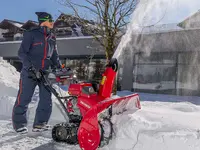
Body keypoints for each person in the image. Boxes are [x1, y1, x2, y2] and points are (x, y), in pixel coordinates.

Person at [12, 12, 61, 134]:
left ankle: (40, 123)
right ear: (44, 21)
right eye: (50, 20)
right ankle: (19, 124)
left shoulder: (52, 37)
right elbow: (22, 53)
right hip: (30, 72)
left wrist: (60, 68)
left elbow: (54, 55)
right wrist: (30, 68)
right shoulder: (31, 34)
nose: (52, 23)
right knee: (24, 98)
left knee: (46, 99)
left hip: (45, 72)